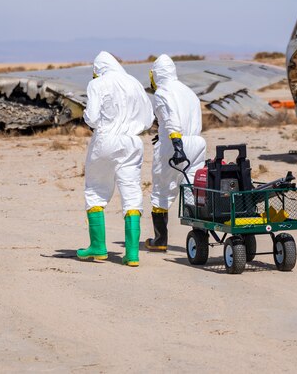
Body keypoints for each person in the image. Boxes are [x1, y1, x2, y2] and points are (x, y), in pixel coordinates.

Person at [76, 51, 155, 267]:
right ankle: (131, 254)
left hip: (106, 140)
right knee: (131, 192)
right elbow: (148, 119)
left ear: (98, 68)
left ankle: (98, 247)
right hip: (133, 142)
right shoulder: (134, 83)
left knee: (95, 189)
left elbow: (91, 117)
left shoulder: (97, 84)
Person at [145, 54, 207, 252]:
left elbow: (171, 120)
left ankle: (160, 240)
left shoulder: (163, 93)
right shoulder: (189, 92)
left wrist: (176, 145)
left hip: (174, 145)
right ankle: (199, 238)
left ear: (156, 74)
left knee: (162, 190)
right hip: (197, 143)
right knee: (192, 189)